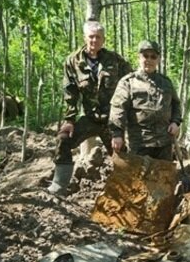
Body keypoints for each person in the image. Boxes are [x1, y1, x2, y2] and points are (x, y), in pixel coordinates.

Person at [48, 20, 133, 195]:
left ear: (103, 40)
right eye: (91, 37)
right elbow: (70, 92)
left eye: (98, 37)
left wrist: (129, 117)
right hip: (89, 118)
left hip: (112, 120)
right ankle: (59, 186)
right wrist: (70, 120)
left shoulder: (115, 60)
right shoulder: (73, 61)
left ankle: (127, 191)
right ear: (85, 38)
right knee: (63, 139)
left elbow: (130, 83)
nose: (94, 41)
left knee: (123, 154)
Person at [109, 40, 181, 160]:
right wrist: (117, 134)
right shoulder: (128, 82)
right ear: (139, 57)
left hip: (164, 143)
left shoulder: (166, 83)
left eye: (153, 56)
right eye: (145, 56)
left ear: (158, 59)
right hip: (139, 143)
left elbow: (176, 104)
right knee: (139, 178)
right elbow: (118, 109)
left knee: (164, 177)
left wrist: (175, 122)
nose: (149, 60)